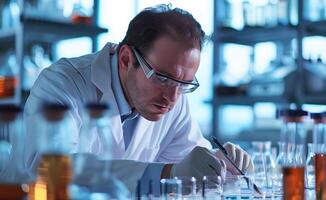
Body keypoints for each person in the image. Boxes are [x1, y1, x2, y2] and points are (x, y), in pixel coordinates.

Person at [24, 4, 253, 194]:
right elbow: (50, 170)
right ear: (126, 59)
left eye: (184, 84)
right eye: (162, 78)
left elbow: (189, 159)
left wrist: (219, 162)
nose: (172, 98)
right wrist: (168, 174)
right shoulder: (62, 83)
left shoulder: (174, 96)